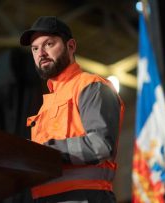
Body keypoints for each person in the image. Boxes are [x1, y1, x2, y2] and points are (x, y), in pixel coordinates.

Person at [19, 16, 125, 203]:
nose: (41, 53)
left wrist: (43, 152)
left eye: (48, 44)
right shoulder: (46, 105)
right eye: (35, 49)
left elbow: (100, 145)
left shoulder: (91, 86)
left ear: (71, 46)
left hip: (86, 197)